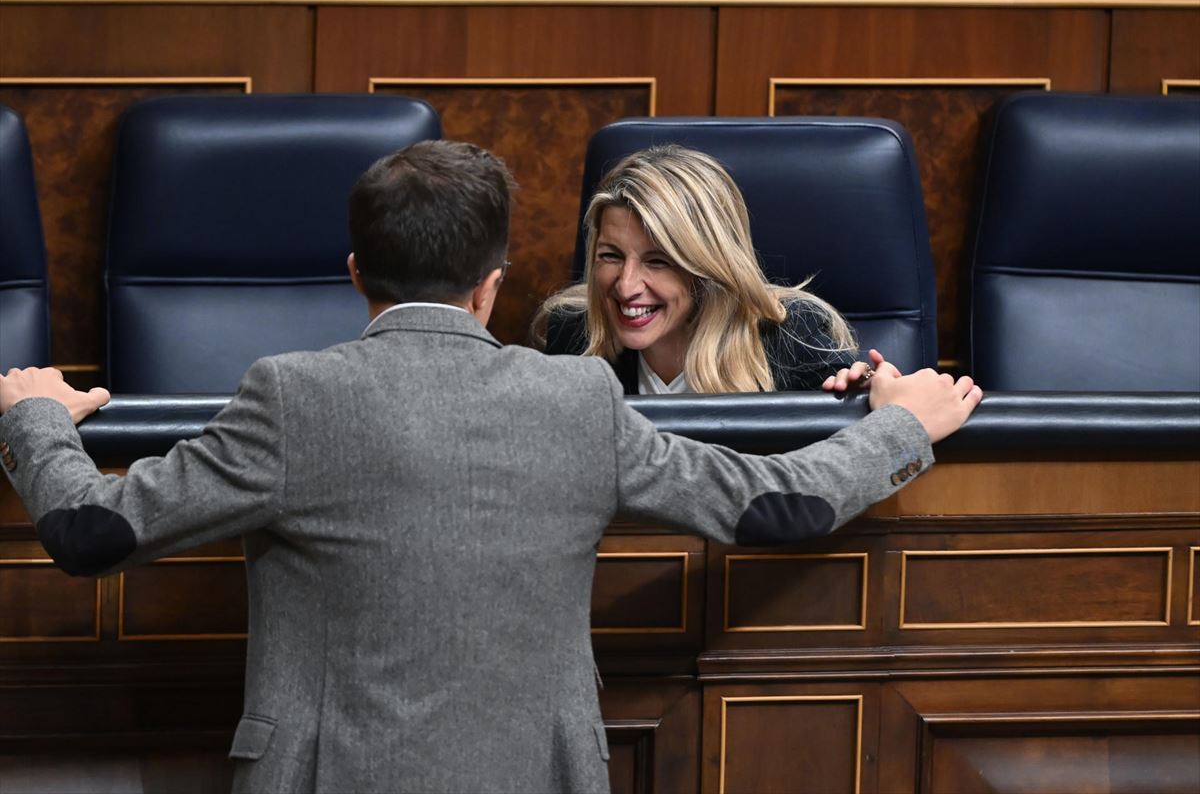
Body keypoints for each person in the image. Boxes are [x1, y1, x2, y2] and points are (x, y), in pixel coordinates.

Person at [0, 140, 982, 794]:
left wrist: (39, 414)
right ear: (493, 282)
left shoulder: (288, 394)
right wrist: (906, 424)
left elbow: (89, 530)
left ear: (355, 272)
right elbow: (781, 505)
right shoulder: (578, 396)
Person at [536, 145, 858, 395]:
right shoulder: (573, 332)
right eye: (611, 256)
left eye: (658, 261)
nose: (626, 286)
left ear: (707, 266)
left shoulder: (786, 333)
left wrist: (865, 393)